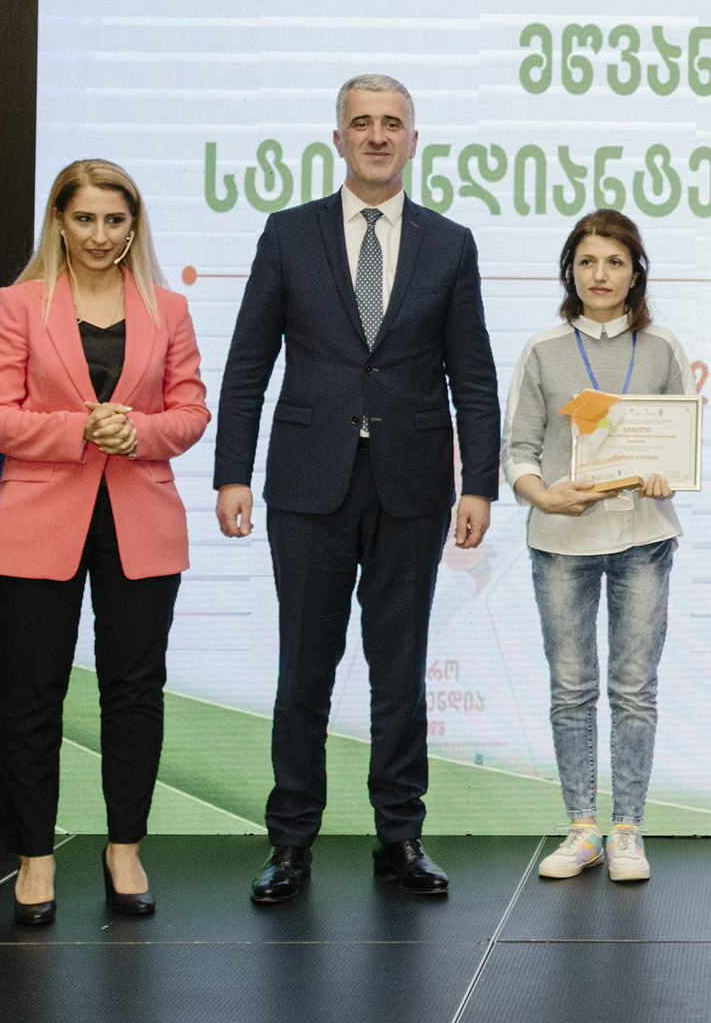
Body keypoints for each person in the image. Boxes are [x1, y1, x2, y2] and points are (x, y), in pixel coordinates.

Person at [214, 75, 500, 903]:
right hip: (308, 484)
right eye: (362, 123)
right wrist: (232, 471)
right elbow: (247, 363)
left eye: (392, 123)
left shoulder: (451, 243)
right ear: (337, 139)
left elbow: (473, 376)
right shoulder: (287, 233)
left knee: (399, 669)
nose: (378, 136)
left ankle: (399, 836)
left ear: (413, 140)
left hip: (414, 485)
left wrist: (478, 483)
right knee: (304, 667)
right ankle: (290, 841)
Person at [0, 160, 210, 925]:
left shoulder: (169, 308)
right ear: (59, 222)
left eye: (115, 219)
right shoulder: (20, 304)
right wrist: (79, 428)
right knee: (33, 693)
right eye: (85, 219)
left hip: (142, 523)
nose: (101, 235)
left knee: (134, 691)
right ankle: (34, 858)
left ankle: (124, 849)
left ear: (134, 225)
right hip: (36, 524)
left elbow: (190, 411)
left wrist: (138, 432)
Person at [503, 212, 693, 883]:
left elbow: (681, 442)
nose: (600, 275)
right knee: (572, 688)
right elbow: (518, 449)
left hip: (643, 537)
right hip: (561, 539)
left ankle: (627, 829)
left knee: (634, 689)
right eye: (587, 261)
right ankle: (582, 827)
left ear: (636, 272)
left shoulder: (662, 346)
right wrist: (541, 494)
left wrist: (670, 471)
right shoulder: (543, 349)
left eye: (615, 261)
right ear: (570, 272)